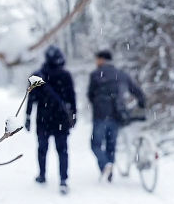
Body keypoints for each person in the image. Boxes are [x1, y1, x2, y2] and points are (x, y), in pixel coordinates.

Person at [87, 50, 146, 182]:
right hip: (116, 114)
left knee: (95, 144)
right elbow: (136, 90)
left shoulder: (95, 74)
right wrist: (141, 103)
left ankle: (105, 164)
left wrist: (98, 105)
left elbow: (90, 95)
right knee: (111, 144)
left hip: (100, 115)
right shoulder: (121, 74)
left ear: (101, 60)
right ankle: (110, 171)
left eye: (97, 59)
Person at [25, 45, 77, 194]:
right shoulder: (65, 75)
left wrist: (28, 117)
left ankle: (42, 175)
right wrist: (74, 115)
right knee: (62, 150)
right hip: (61, 119)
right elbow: (72, 98)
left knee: (42, 149)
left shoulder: (37, 75)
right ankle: (63, 180)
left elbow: (31, 99)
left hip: (43, 119)